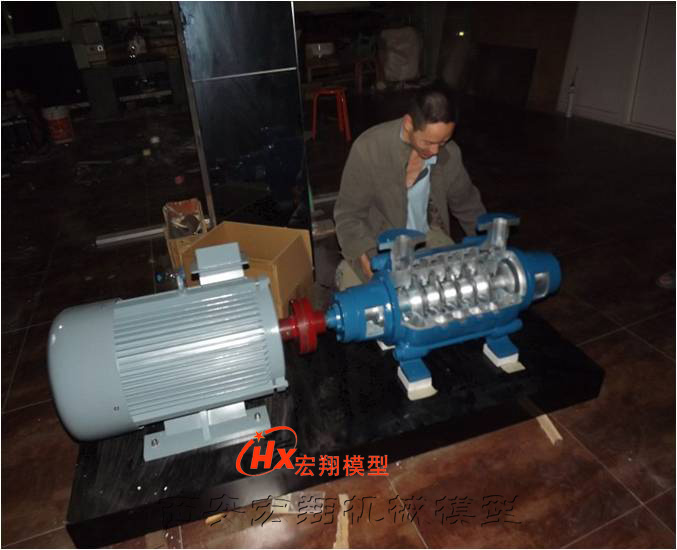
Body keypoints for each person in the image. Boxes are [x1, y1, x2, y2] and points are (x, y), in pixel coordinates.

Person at [333, 87, 486, 290]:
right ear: (408, 124)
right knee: (361, 298)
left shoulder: (449, 153)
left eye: (443, 141)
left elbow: (467, 204)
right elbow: (348, 215)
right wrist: (366, 258)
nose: (435, 151)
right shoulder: (369, 149)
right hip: (380, 244)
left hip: (428, 238)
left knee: (462, 291)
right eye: (428, 142)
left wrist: (488, 247)